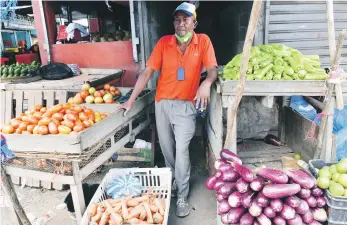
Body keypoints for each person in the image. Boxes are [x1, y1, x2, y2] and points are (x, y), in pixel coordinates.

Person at [116, 2, 218, 217]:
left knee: (181, 149)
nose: (181, 23)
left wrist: (206, 83)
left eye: (186, 19)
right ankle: (172, 180)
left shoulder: (204, 42)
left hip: (186, 106)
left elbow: (212, 70)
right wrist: (131, 100)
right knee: (167, 149)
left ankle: (182, 194)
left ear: (194, 23)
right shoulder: (164, 43)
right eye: (177, 19)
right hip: (162, 103)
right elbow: (147, 72)